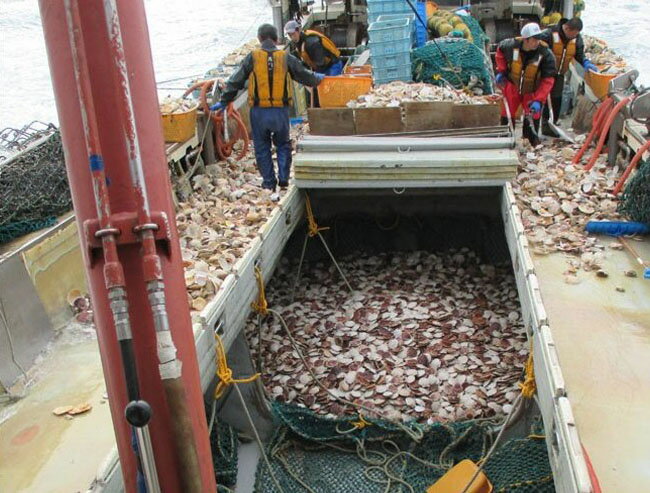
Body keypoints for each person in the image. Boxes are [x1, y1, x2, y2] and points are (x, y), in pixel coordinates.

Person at [211, 24, 324, 198]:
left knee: (262, 148)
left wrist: (224, 101)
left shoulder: (252, 57)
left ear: (259, 39)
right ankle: (284, 180)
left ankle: (269, 184)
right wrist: (318, 79)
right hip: (279, 111)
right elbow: (304, 75)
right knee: (283, 145)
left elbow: (236, 81)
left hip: (259, 112)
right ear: (277, 39)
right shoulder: (286, 57)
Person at [495, 23, 557, 145]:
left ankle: (530, 143)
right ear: (525, 39)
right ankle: (505, 140)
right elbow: (499, 51)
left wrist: (539, 100)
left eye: (539, 39)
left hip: (532, 90)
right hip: (513, 85)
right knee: (507, 114)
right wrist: (502, 71)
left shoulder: (546, 54)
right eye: (534, 39)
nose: (537, 42)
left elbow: (548, 80)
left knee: (533, 116)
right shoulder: (510, 46)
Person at [538, 17, 598, 133]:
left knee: (556, 98)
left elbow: (579, 54)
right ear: (567, 28)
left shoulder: (576, 38)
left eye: (577, 34)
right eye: (573, 34)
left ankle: (552, 125)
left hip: (559, 73)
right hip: (544, 73)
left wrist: (586, 62)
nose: (575, 37)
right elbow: (536, 48)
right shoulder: (549, 34)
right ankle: (540, 124)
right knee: (540, 98)